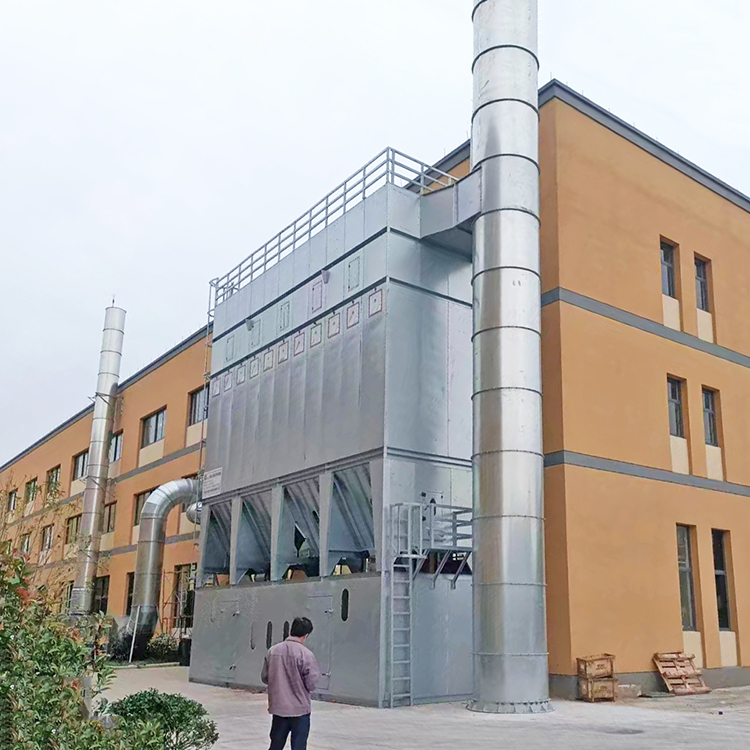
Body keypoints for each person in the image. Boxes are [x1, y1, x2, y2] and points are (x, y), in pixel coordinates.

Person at [261, 616, 320, 750]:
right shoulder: (306, 654)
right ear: (305, 635)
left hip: (279, 708)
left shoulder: (273, 651)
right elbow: (311, 683)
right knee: (299, 746)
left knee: (276, 745)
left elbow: (265, 677)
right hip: (300, 710)